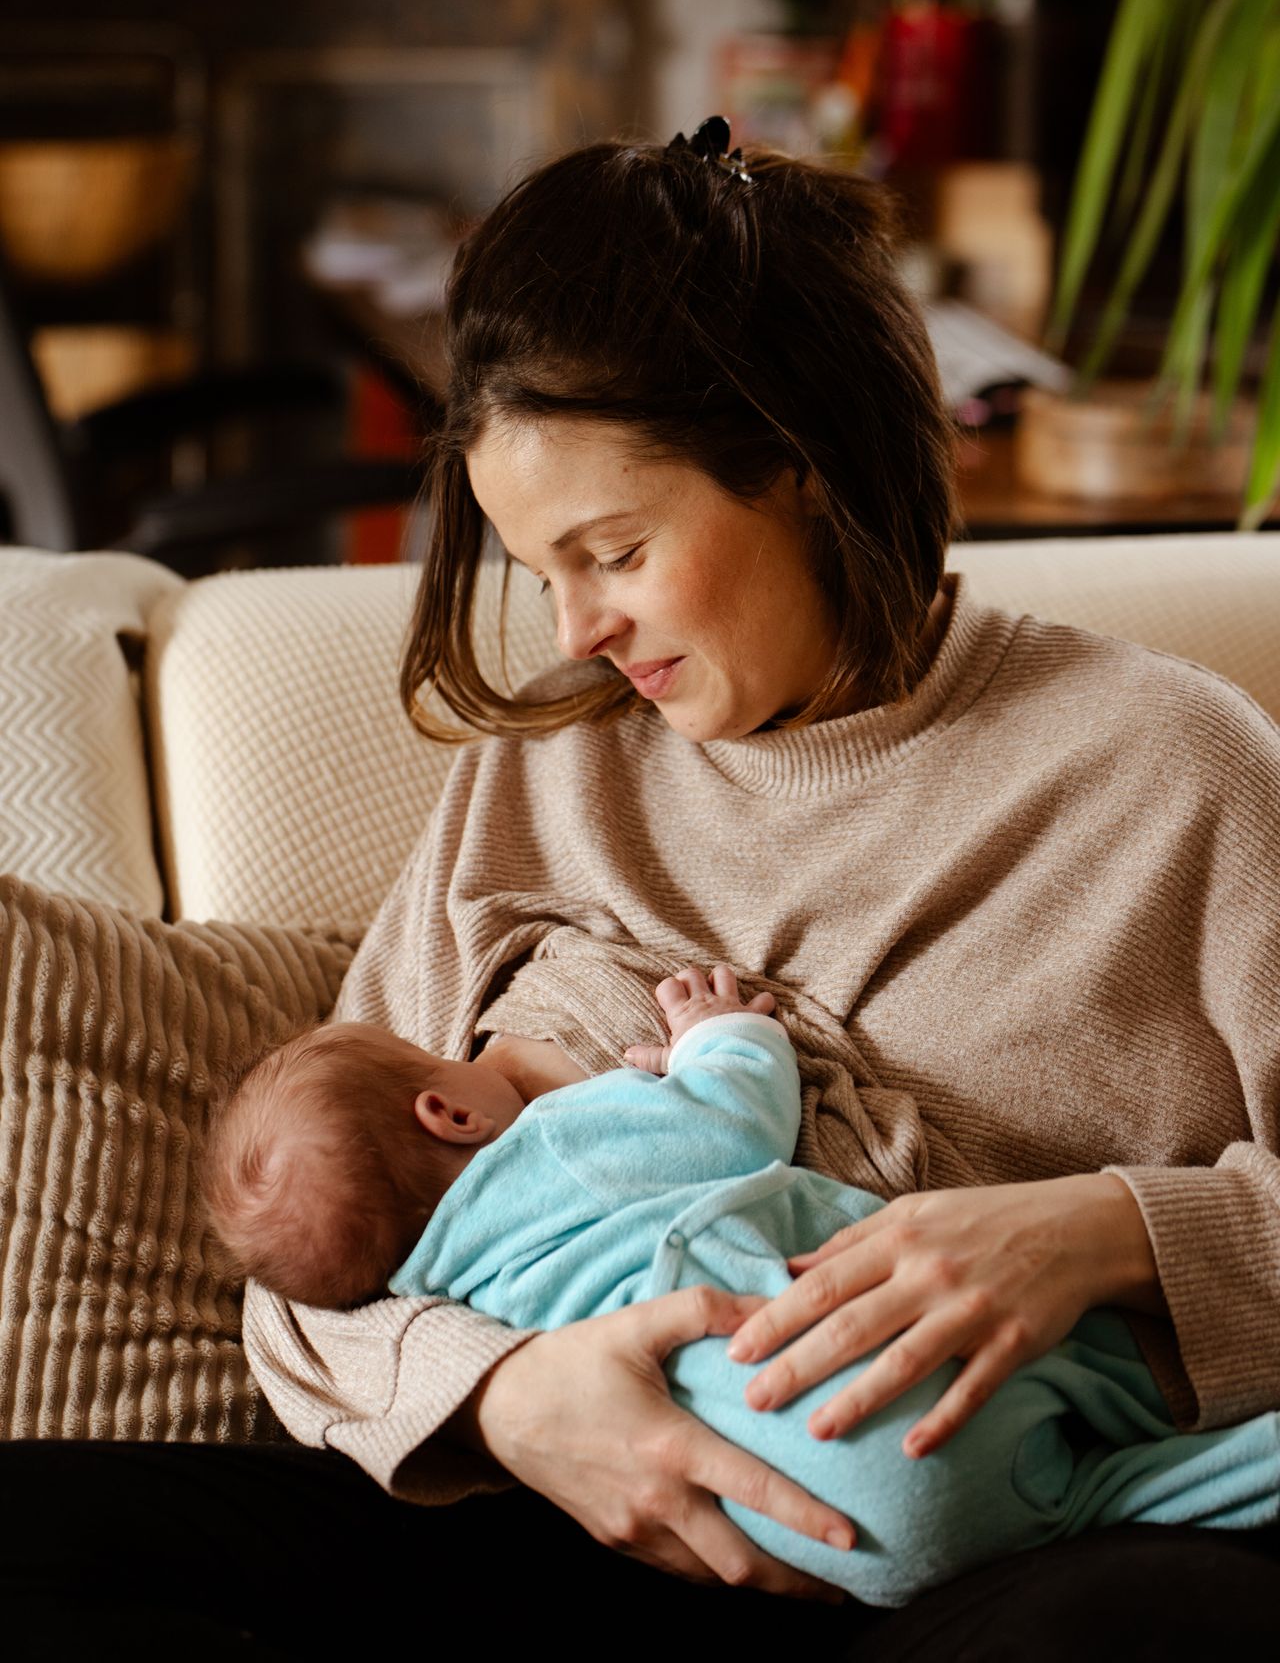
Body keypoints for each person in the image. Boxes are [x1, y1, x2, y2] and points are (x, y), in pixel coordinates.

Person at [6, 122, 1280, 1660]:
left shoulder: (1174, 771)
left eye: (613, 550)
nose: (580, 629)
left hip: (968, 1558)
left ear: (799, 462)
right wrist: (510, 1398)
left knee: (1164, 1623)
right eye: (542, 569)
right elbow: (312, 1266)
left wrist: (1097, 1232)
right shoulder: (552, 774)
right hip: (556, 1537)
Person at [205, 968, 1280, 1608]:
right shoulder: (563, 1144)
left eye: (622, 564)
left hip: (799, 1538)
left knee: (1106, 1511)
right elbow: (730, 1116)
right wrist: (716, 1036)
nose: (583, 627)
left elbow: (317, 1279)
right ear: (448, 1113)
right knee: (1108, 1402)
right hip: (895, 1392)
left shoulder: (441, 1278)